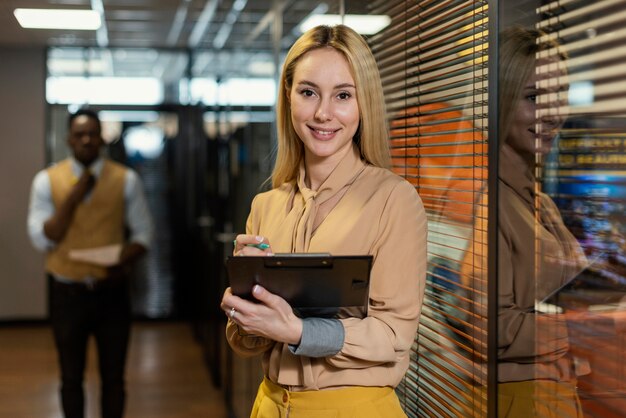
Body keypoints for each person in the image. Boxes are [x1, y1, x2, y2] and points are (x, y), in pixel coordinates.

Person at [220, 25, 427, 418]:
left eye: (343, 95)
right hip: (269, 405)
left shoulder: (393, 200)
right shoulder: (266, 206)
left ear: (363, 103)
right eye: (308, 92)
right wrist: (245, 309)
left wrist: (297, 331)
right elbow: (245, 343)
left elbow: (393, 335)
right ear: (288, 96)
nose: (322, 113)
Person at [461, 26, 588, 416]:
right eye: (535, 97)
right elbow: (490, 330)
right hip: (518, 403)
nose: (554, 114)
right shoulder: (490, 203)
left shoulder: (539, 202)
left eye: (559, 96)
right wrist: (591, 327)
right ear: (499, 102)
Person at [27, 108, 153, 418]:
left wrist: (123, 259)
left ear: (102, 139)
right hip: (67, 294)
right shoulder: (46, 181)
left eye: (92, 134)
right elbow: (43, 238)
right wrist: (74, 195)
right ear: (68, 139)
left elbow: (143, 235)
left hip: (112, 293)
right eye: (80, 134)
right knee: (71, 378)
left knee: (114, 378)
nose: (86, 140)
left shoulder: (126, 179)